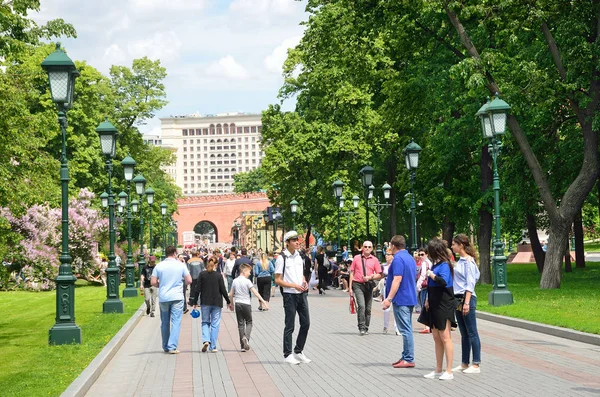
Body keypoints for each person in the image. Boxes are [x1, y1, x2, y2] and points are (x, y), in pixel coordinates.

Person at [274, 230, 311, 365]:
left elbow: (301, 273)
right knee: (290, 325)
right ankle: (288, 354)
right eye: (294, 240)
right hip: (290, 294)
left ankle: (298, 350)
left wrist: (303, 281)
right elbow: (277, 280)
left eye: (297, 240)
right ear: (287, 242)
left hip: (301, 293)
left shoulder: (299, 256)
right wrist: (293, 286)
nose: (297, 242)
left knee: (306, 323)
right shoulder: (282, 258)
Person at [423, 238, 456, 380]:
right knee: (436, 337)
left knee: (445, 337)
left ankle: (449, 370)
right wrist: (428, 299)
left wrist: (432, 275)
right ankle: (438, 369)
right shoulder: (437, 265)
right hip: (434, 303)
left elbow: (442, 281)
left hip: (444, 303)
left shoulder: (445, 265)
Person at [382, 235, 417, 368]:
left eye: (390, 245)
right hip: (410, 296)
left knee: (405, 329)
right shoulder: (409, 258)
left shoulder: (398, 259)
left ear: (393, 246)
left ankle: (408, 358)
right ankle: (405, 355)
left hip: (401, 298)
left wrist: (388, 299)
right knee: (406, 327)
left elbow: (397, 279)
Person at [151, 246, 192, 354]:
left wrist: (162, 284)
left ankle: (165, 346)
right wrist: (182, 284)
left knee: (164, 322)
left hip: (164, 297)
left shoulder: (159, 266)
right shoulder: (180, 265)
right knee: (176, 322)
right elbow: (189, 280)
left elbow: (153, 282)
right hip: (177, 297)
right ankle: (172, 346)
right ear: (174, 253)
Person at [451, 234, 482, 374]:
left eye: (454, 244)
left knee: (472, 331)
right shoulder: (461, 261)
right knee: (464, 332)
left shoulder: (469, 262)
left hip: (466, 298)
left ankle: (476, 363)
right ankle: (464, 362)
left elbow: (470, 283)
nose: (452, 247)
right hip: (458, 298)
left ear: (461, 245)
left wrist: (467, 302)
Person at [191, 255, 230, 353]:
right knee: (215, 324)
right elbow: (223, 290)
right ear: (216, 265)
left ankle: (206, 340)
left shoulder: (202, 274)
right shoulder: (218, 276)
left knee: (205, 322)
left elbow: (197, 289)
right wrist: (228, 301)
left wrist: (195, 302)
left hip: (205, 302)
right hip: (217, 302)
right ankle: (213, 346)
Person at [229, 263, 270, 352]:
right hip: (246, 304)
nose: (250, 273)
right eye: (249, 272)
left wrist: (231, 304)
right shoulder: (247, 281)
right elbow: (255, 292)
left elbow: (231, 294)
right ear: (244, 271)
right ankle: (246, 338)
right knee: (249, 322)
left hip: (238, 303)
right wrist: (264, 302)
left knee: (240, 324)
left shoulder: (235, 281)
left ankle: (242, 346)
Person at [349, 240, 383, 335]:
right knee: (361, 306)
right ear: (362, 248)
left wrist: (370, 277)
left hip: (368, 285)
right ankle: (361, 327)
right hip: (358, 284)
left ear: (372, 249)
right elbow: (351, 273)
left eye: (369, 247)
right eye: (365, 247)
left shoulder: (375, 260)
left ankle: (366, 327)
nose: (367, 248)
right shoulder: (356, 258)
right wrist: (350, 288)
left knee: (368, 308)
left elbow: (380, 275)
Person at [416, 248, 432, 334]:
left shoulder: (424, 263)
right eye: (419, 254)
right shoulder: (429, 263)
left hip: (424, 286)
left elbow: (422, 275)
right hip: (429, 286)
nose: (420, 256)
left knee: (424, 305)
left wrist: (418, 286)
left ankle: (427, 326)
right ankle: (429, 325)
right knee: (427, 305)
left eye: (422, 254)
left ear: (427, 254)